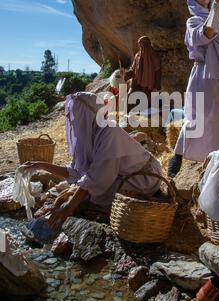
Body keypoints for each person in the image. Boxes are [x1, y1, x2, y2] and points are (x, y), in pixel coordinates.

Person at [21, 92, 162, 229]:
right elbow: (77, 172)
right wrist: (40, 165)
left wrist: (67, 208)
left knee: (93, 197)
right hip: (121, 174)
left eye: (73, 113)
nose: (68, 117)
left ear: (86, 115)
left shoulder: (109, 133)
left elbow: (95, 178)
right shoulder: (89, 135)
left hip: (144, 178)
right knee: (86, 194)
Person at [168, 0, 219, 177]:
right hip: (204, 73)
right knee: (199, 117)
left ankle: (218, 164)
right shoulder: (193, 21)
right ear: (192, 0)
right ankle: (177, 156)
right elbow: (206, 35)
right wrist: (217, 6)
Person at [121, 36, 161, 111]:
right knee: (129, 98)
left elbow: (158, 71)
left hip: (149, 86)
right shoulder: (137, 56)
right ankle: (128, 119)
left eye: (143, 44)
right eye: (140, 44)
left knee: (146, 104)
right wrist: (125, 73)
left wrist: (156, 86)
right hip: (136, 84)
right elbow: (133, 70)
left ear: (148, 44)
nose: (141, 46)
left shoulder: (154, 56)